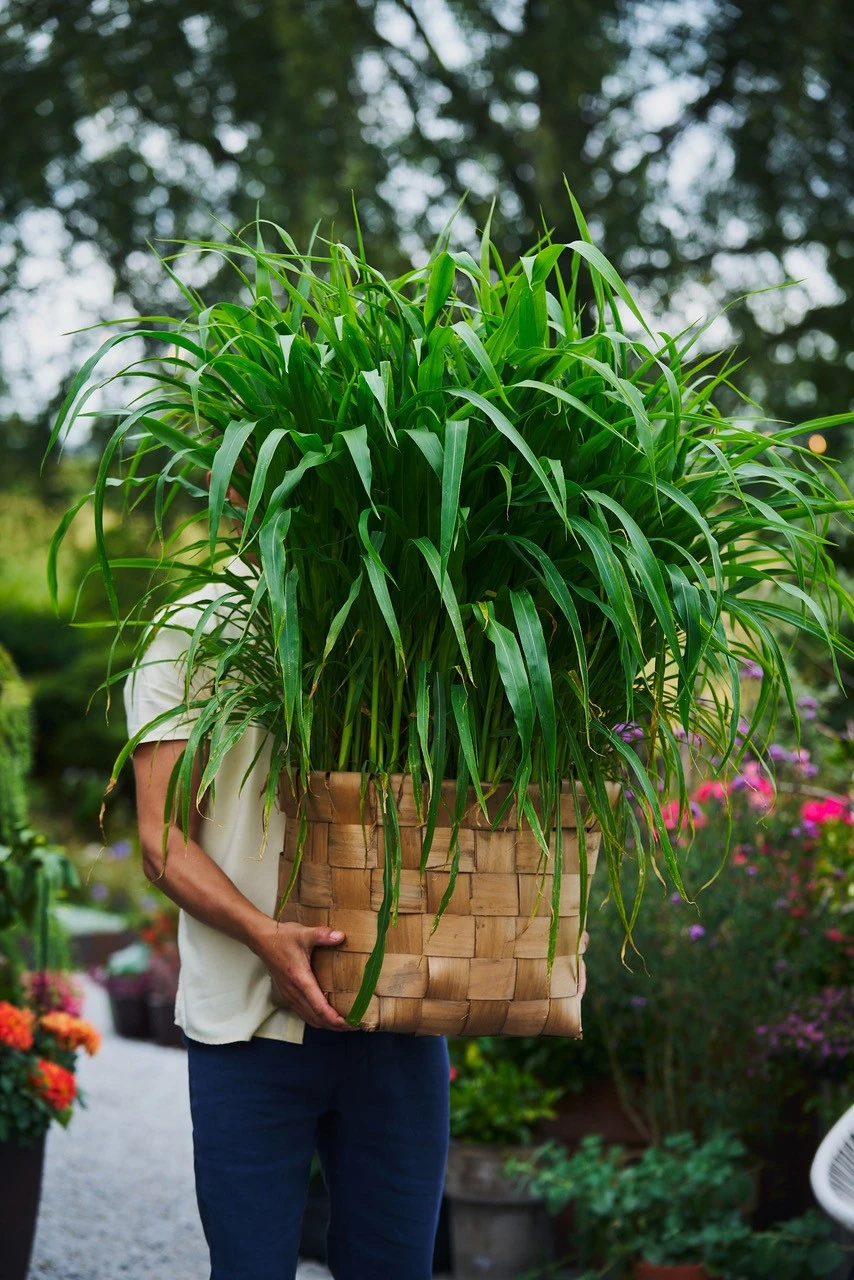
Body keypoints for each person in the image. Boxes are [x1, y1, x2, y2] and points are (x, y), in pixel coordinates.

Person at [124, 556, 450, 1280]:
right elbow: (162, 840)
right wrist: (267, 937)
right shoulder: (192, 627)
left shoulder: (418, 604)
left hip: (395, 1017)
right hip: (247, 1022)